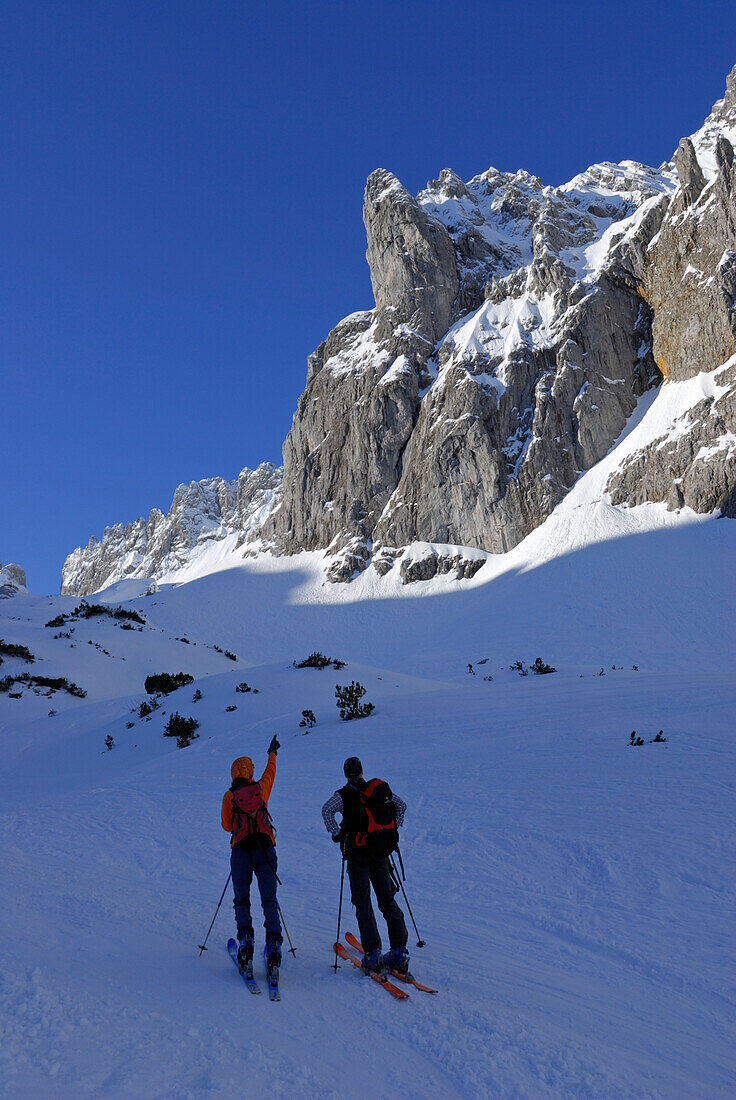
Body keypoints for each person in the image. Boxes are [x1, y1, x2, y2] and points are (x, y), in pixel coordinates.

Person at [321, 756, 409, 974]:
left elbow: (326, 810)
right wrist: (390, 831)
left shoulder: (342, 795)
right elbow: (401, 805)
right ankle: (399, 951)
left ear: (345, 773)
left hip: (357, 855)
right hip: (380, 853)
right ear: (361, 771)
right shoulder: (376, 790)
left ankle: (373, 953)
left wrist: (337, 833)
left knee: (363, 901)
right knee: (387, 900)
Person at [221, 735, 282, 974]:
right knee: (269, 898)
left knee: (242, 899)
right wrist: (272, 752)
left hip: (241, 852)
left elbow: (227, 825)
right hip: (266, 850)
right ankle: (274, 946)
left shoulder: (229, 796)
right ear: (249, 771)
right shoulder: (260, 788)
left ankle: (246, 943)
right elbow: (270, 772)